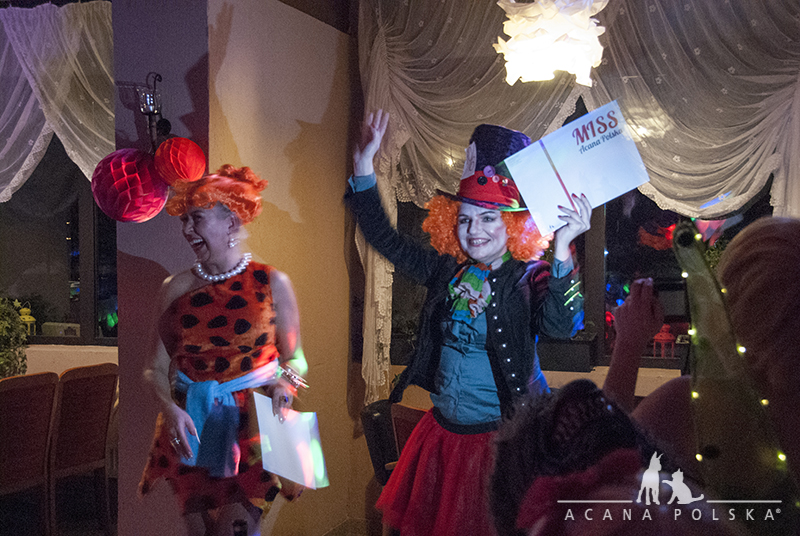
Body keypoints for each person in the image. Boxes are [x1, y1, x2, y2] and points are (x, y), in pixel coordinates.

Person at [347, 110, 592, 535]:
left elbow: (562, 325)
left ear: (513, 224)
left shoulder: (528, 276)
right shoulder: (448, 270)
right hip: (443, 437)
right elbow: (386, 240)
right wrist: (364, 169)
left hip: (504, 443)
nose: (474, 230)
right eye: (465, 218)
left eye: (488, 217)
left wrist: (564, 250)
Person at [138, 165, 308, 536]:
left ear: (230, 222)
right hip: (193, 426)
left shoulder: (271, 282)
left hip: (251, 428)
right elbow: (154, 367)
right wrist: (169, 408)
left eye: (196, 219)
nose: (187, 230)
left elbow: (295, 359)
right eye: (184, 220)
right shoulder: (174, 288)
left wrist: (286, 385)